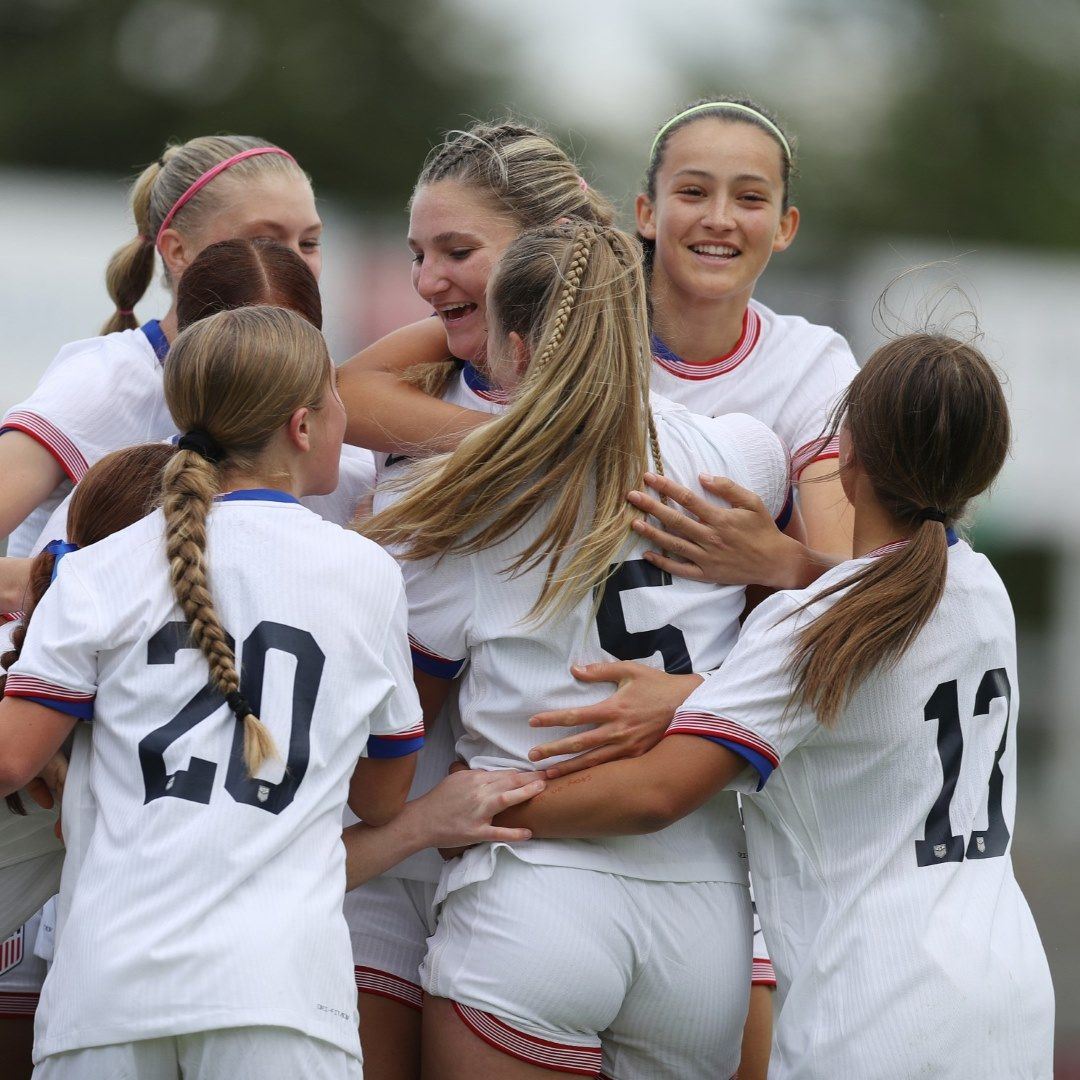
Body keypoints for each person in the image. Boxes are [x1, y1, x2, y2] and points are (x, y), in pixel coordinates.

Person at [492, 332, 1056, 1079]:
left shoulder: (809, 629)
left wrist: (486, 812)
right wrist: (778, 585)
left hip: (876, 1014)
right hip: (1010, 996)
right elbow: (879, 678)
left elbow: (657, 794)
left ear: (847, 454)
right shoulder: (983, 593)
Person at [365, 220, 791, 1079]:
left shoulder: (452, 496)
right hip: (703, 916)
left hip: (531, 896)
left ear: (513, 346)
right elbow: (801, 632)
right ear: (641, 336)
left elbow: (396, 743)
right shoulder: (746, 458)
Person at [0, 305, 421, 1079]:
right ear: (303, 425)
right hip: (282, 998)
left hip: (107, 996)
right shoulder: (367, 574)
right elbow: (385, 795)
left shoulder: (99, 568)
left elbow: (11, 760)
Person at [340, 120, 616, 1080]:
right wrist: (506, 448)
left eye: (457, 251)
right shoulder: (449, 381)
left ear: (546, 254)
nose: (427, 280)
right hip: (387, 844)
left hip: (535, 864)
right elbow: (342, 392)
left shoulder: (641, 401)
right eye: (420, 254)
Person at [0, 135, 323, 566]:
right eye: (263, 241)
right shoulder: (108, 380)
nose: (293, 265)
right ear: (177, 250)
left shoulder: (318, 402)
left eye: (309, 243)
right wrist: (69, 582)